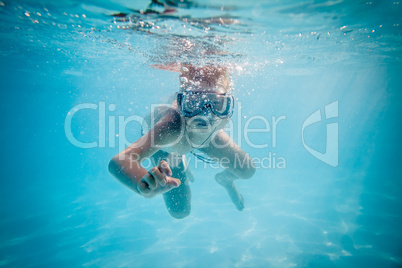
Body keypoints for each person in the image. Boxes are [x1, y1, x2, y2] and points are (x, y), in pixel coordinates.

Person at [108, 63, 256, 219]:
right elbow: (118, 161)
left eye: (217, 104)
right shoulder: (170, 127)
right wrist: (143, 184)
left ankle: (224, 180)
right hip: (167, 146)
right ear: (181, 103)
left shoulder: (221, 118)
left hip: (190, 141)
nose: (205, 115)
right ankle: (179, 159)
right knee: (180, 210)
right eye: (194, 103)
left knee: (247, 169)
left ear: (227, 103)